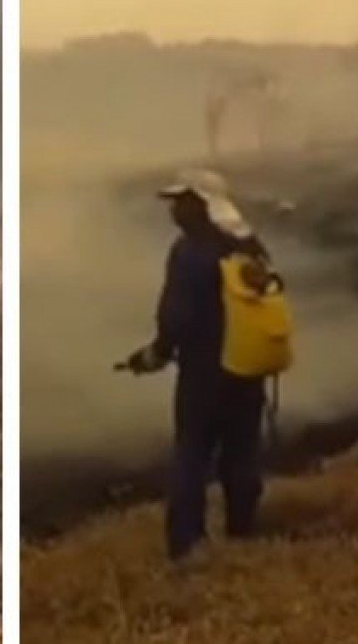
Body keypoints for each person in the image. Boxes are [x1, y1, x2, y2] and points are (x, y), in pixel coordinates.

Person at [122, 169, 273, 563]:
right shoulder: (250, 246)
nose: (174, 211)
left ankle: (187, 547)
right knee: (243, 451)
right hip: (248, 367)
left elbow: (176, 316)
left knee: (192, 455)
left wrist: (156, 353)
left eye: (182, 203)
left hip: (204, 373)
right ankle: (244, 533)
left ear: (202, 204)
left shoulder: (190, 251)